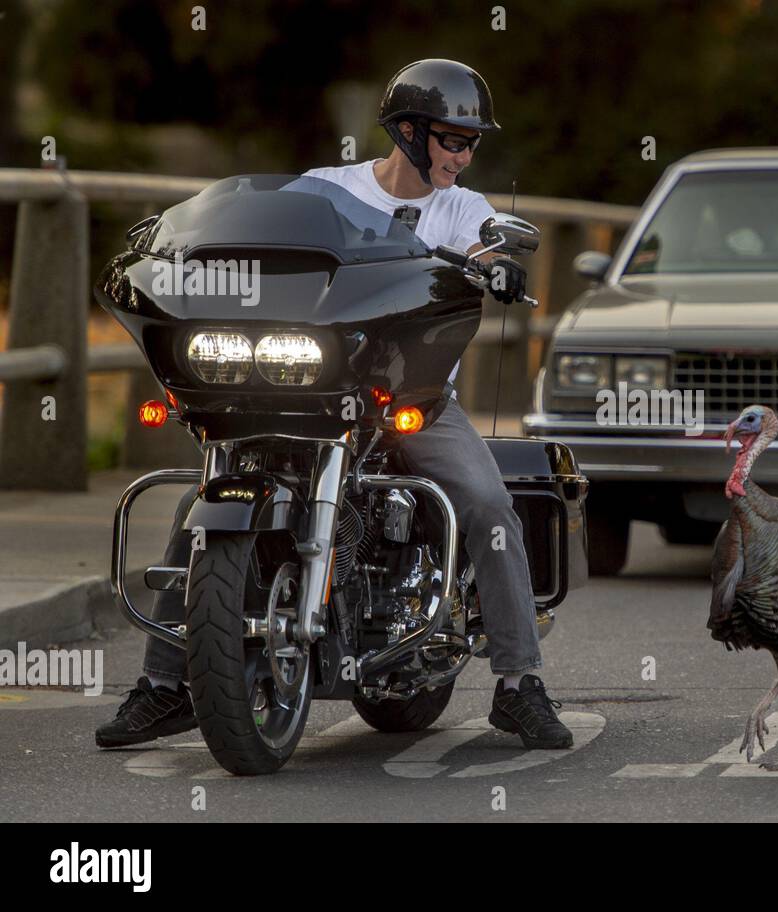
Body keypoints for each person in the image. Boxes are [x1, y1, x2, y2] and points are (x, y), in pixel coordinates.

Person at [96, 59, 573, 751]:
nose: (463, 155)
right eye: (451, 139)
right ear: (408, 132)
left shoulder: (462, 206)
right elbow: (255, 236)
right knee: (192, 506)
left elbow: (480, 238)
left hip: (408, 400)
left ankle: (519, 683)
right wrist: (175, 247)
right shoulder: (325, 189)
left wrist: (493, 260)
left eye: (472, 143)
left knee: (487, 503)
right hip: (302, 389)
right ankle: (166, 686)